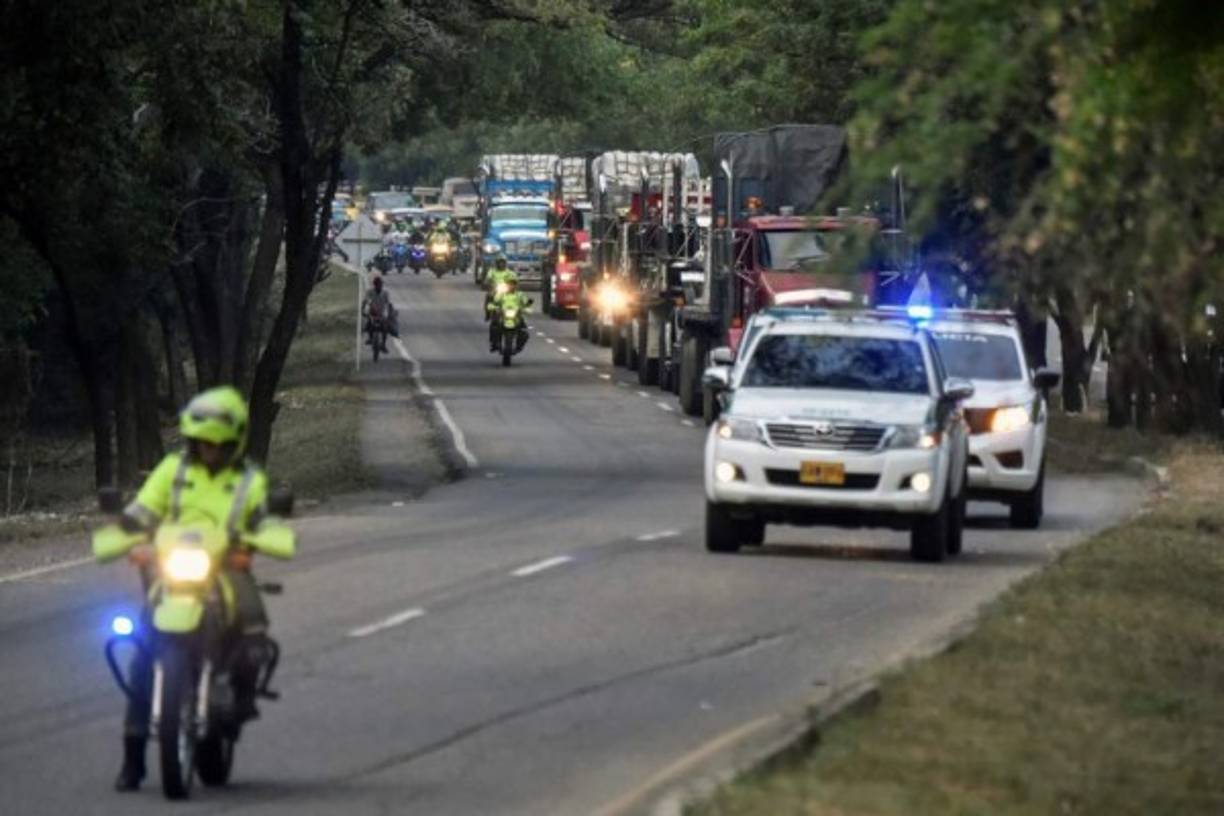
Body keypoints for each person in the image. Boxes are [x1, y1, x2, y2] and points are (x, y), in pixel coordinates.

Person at [109, 387, 292, 791]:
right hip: (172, 574)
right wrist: (131, 536)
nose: (209, 448)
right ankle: (133, 755)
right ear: (191, 439)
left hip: (223, 569)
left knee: (252, 627)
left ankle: (239, 697)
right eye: (202, 441)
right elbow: (141, 510)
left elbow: (266, 519)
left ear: (233, 442)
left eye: (218, 443)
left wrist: (257, 540)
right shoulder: (171, 471)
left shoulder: (247, 479)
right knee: (141, 649)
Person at [487, 275, 531, 352]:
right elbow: (494, 302)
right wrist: (493, 307)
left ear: (516, 285)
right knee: (494, 326)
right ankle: (494, 343)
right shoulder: (501, 294)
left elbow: (526, 303)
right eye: (509, 284)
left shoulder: (520, 295)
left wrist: (526, 308)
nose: (511, 286)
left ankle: (519, 346)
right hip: (503, 315)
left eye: (513, 284)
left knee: (524, 332)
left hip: (516, 315)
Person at [362, 275, 395, 351]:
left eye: (380, 285)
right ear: (375, 285)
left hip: (382, 313)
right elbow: (365, 301)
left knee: (385, 328)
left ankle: (383, 344)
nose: (379, 287)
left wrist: (390, 314)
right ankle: (370, 338)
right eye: (378, 285)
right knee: (369, 324)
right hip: (372, 312)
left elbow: (389, 304)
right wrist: (362, 310)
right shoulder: (370, 292)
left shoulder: (385, 293)